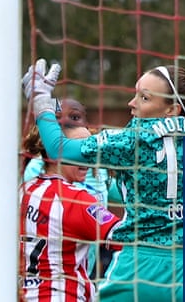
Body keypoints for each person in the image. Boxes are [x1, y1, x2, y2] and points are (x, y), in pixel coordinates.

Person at [24, 59, 185, 302]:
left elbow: (58, 149)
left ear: (171, 109)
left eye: (144, 98)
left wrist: (42, 102)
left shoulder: (132, 139)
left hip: (138, 267)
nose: (132, 103)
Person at [0, 98, 115, 284]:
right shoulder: (39, 172)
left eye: (75, 116)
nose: (66, 121)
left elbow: (126, 196)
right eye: (58, 116)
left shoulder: (96, 166)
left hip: (81, 275)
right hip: (39, 277)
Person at [20, 122, 121, 302]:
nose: (88, 155)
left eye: (90, 148)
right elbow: (125, 240)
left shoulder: (23, 191)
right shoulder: (76, 200)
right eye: (80, 148)